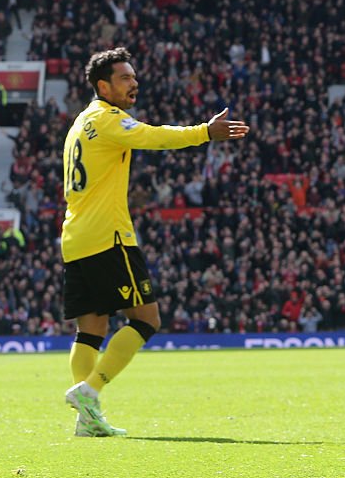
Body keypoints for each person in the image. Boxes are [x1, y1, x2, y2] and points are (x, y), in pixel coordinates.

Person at [61, 47, 248, 437]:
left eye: (133, 76)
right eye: (125, 78)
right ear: (103, 85)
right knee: (146, 319)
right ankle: (90, 391)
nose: (134, 82)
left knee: (91, 329)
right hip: (109, 236)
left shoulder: (80, 122)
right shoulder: (108, 119)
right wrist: (203, 133)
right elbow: (152, 137)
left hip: (76, 237)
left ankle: (86, 420)